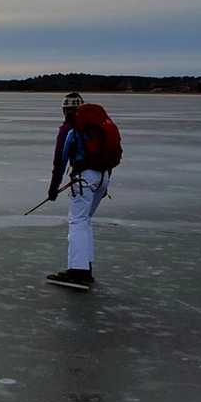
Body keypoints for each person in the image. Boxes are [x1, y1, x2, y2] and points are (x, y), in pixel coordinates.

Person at [45, 93, 113, 289]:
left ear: (65, 110)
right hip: (103, 177)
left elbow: (60, 161)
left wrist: (53, 189)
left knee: (77, 222)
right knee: (85, 221)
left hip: (84, 178)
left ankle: (78, 271)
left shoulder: (69, 129)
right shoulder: (97, 126)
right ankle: (86, 266)